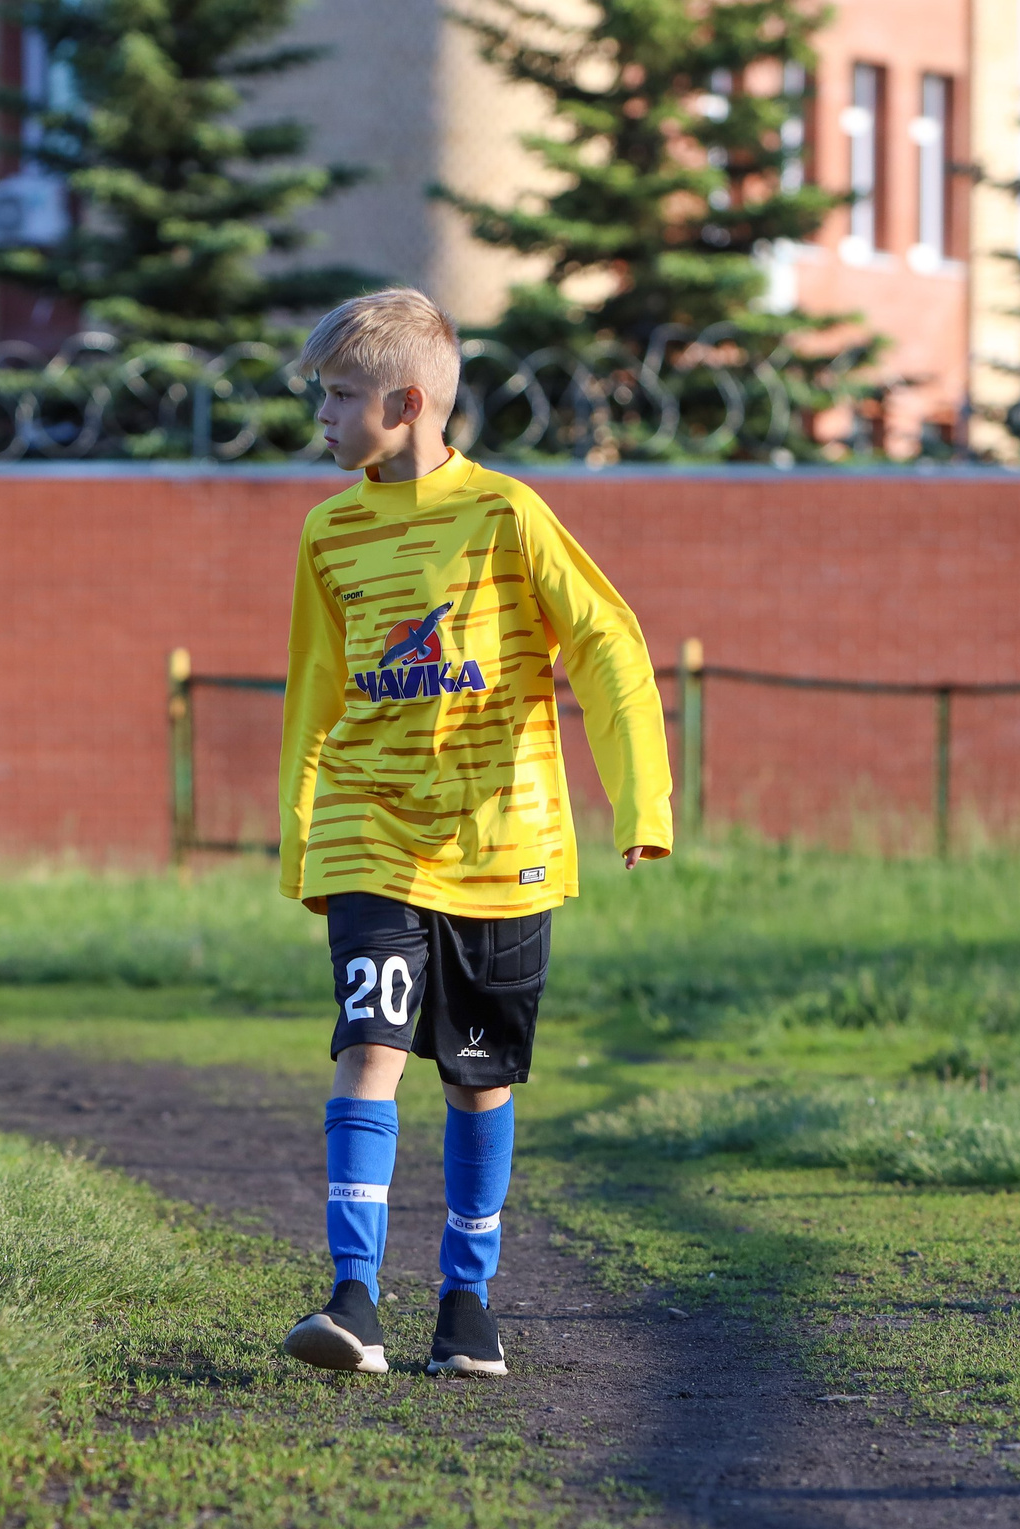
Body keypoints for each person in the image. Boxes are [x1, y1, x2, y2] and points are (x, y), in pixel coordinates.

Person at [275, 287, 673, 1379]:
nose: (321, 412)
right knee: (369, 1050)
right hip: (371, 830)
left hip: (506, 845)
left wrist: (642, 803)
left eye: (340, 393)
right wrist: (302, 833)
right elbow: (316, 686)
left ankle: (466, 1304)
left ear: (406, 404)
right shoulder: (328, 531)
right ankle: (352, 1298)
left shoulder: (506, 515)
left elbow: (605, 644)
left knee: (477, 1081)